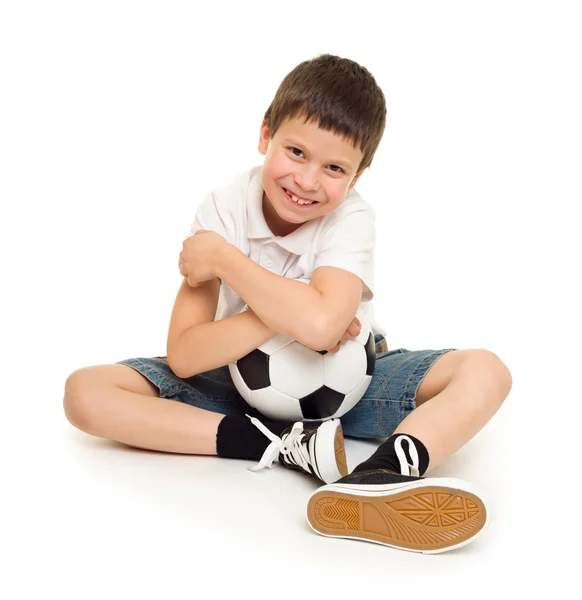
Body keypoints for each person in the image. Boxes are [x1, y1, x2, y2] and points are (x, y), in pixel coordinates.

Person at [63, 53, 512, 554]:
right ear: (264, 135)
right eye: (296, 152)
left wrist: (227, 263)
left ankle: (381, 475)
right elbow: (187, 355)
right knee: (86, 392)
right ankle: (279, 442)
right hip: (239, 378)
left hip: (350, 380)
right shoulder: (224, 209)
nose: (307, 181)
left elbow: (323, 331)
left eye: (335, 167)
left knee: (487, 370)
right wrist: (283, 314)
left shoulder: (351, 220)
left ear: (357, 176)